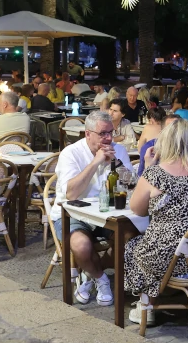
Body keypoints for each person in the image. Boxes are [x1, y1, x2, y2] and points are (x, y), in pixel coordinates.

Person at [124, 118, 188, 324]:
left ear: (165, 142)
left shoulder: (156, 174)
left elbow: (137, 210)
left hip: (171, 256)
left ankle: (146, 305)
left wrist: (149, 166)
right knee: (150, 243)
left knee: (133, 246)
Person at [50, 111, 134, 307]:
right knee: (81, 246)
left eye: (110, 133)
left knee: (130, 237)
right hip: (72, 213)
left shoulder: (118, 150)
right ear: (88, 134)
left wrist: (116, 164)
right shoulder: (71, 153)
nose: (108, 138)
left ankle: (90, 273)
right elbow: (71, 194)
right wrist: (96, 162)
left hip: (108, 214)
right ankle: (101, 277)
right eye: (102, 133)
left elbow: (131, 186)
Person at [137, 112, 176, 177]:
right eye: (170, 129)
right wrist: (149, 168)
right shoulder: (149, 148)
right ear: (163, 131)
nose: (175, 132)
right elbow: (140, 176)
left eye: (178, 128)